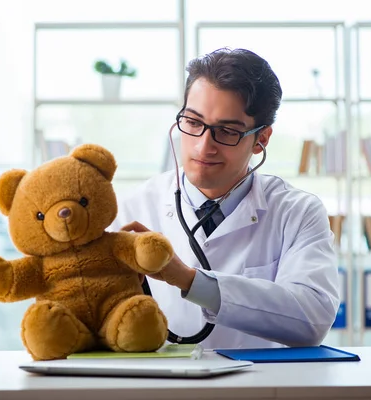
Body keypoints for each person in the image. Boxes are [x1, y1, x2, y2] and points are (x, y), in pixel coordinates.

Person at [110, 47, 340, 350]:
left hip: (257, 388)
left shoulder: (297, 212)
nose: (204, 147)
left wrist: (191, 281)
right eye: (193, 123)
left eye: (227, 131)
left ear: (261, 139)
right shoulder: (130, 207)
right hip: (158, 389)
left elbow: (312, 319)